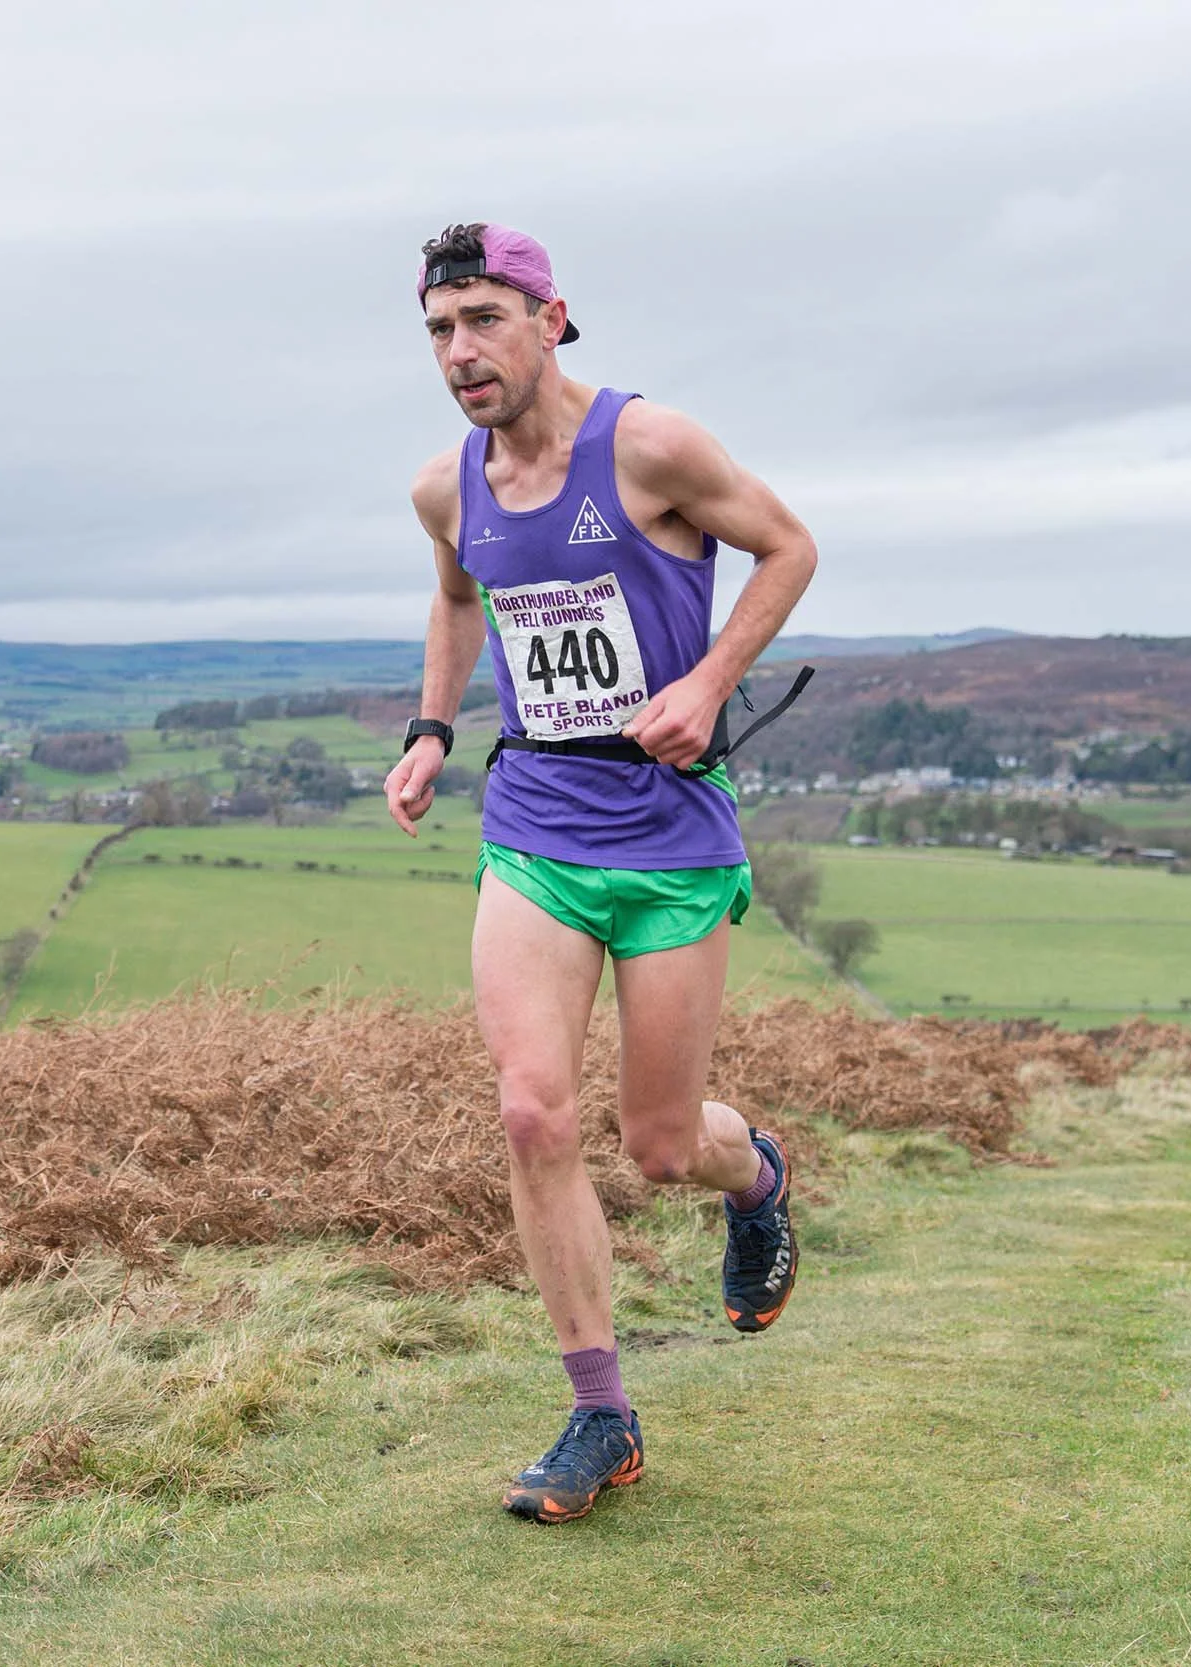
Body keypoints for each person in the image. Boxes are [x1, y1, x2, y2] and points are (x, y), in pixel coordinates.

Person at [383, 223, 819, 1525]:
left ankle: (760, 1180)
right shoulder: (444, 487)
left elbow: (788, 546)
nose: (461, 351)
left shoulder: (650, 446)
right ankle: (600, 1411)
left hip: (672, 831)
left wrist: (702, 681)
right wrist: (428, 729)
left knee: (662, 1145)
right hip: (536, 821)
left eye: (483, 319)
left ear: (550, 318)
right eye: (439, 329)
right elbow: (461, 599)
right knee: (532, 1113)